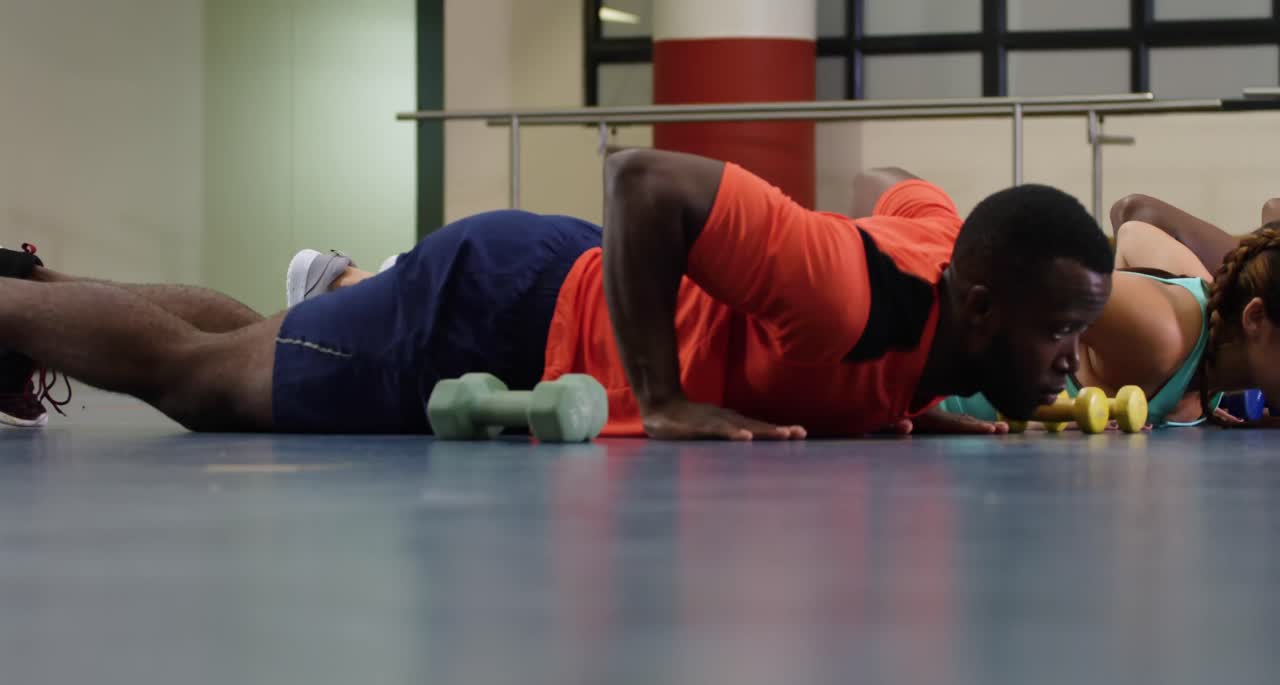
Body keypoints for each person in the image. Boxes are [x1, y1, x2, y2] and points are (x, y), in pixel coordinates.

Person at [0, 149, 1114, 438]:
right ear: (975, 308)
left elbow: (895, 190)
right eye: (1060, 334)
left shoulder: (944, 257)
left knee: (251, 342)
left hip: (538, 282)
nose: (1072, 360)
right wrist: (663, 396)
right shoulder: (842, 295)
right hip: (499, 315)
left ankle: (33, 289)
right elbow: (643, 182)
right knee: (204, 384)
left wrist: (951, 408)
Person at [940, 195, 1280, 428]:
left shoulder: (1217, 324)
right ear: (1255, 319)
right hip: (935, 401)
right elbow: (1009, 270)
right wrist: (1030, 409)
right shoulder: (1161, 337)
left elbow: (1135, 232)